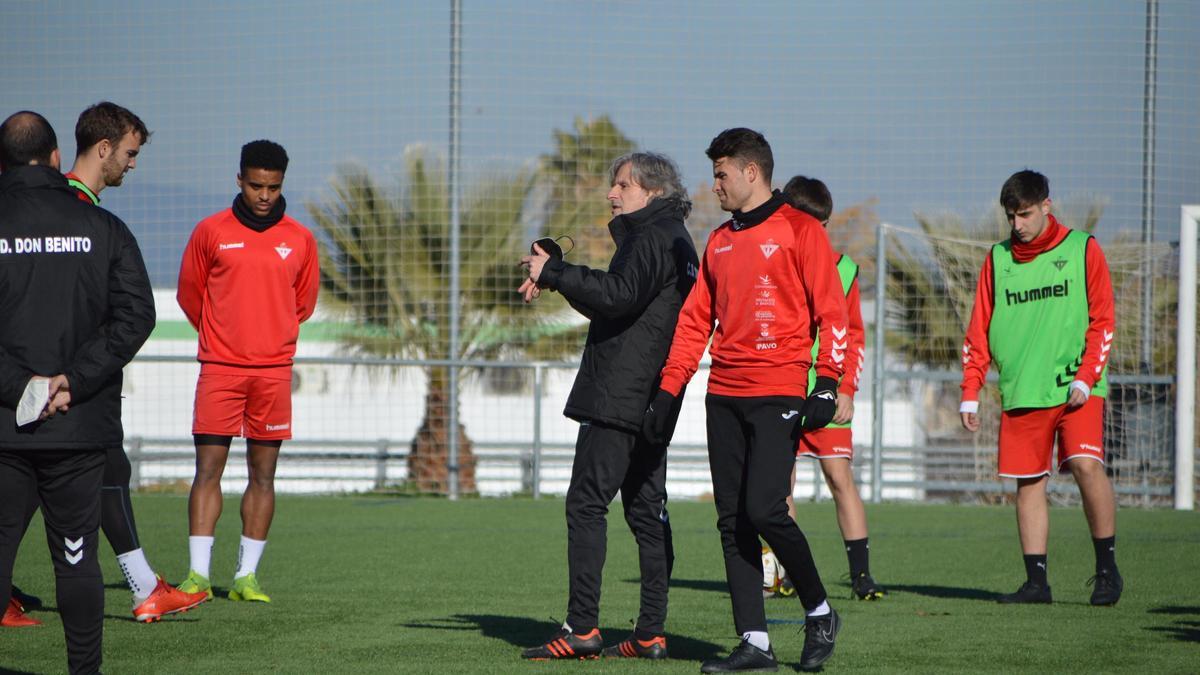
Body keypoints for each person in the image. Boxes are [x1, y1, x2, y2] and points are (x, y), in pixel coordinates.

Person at [645, 128, 846, 673]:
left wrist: (827, 382)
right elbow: (693, 325)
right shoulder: (719, 241)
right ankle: (754, 642)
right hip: (722, 395)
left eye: (721, 174)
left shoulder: (801, 231)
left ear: (751, 172)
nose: (715, 185)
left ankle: (821, 611)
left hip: (779, 391)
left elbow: (834, 313)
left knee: (765, 510)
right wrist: (668, 390)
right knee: (732, 520)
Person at [517, 152, 698, 661]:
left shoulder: (650, 237)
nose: (612, 194)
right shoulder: (675, 238)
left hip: (621, 393)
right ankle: (650, 633)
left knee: (587, 503)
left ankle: (582, 630)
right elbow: (620, 305)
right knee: (646, 510)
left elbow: (617, 297)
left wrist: (556, 272)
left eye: (622, 185)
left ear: (654, 192)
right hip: (653, 395)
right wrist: (556, 276)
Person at [0, 110, 155, 673]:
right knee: (77, 561)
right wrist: (73, 381)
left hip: (5, 430)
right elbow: (137, 315)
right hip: (76, 428)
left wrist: (20, 387)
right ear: (57, 158)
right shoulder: (103, 228)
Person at [40, 101, 206, 623]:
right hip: (71, 385)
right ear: (104, 148)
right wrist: (79, 369)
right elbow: (127, 312)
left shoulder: (57, 208)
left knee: (100, 472)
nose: (133, 164)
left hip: (54, 379)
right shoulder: (84, 218)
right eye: (130, 153)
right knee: (76, 479)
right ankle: (143, 590)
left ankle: (143, 586)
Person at [960, 169, 1122, 606]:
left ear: (1047, 206)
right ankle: (1037, 583)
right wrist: (970, 390)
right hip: (1021, 390)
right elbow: (979, 330)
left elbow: (1103, 320)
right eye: (1011, 217)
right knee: (1029, 482)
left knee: (1087, 466)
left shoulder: (1082, 248)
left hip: (1076, 387)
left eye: (1025, 214)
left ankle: (1106, 571)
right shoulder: (997, 260)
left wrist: (1088, 377)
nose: (1018, 225)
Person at [176, 140, 319, 604]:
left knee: (263, 475)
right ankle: (198, 576)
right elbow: (190, 295)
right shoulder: (210, 231)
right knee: (208, 470)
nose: (264, 195)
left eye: (273, 187)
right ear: (239, 180)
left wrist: (265, 337)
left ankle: (245, 578)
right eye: (256, 185)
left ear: (282, 185)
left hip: (273, 373)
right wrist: (224, 339)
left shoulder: (300, 239)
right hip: (219, 369)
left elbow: (303, 304)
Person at [771, 175, 884, 601]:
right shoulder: (775, 259)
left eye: (822, 224)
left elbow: (854, 336)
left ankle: (861, 576)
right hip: (783, 388)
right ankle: (782, 574)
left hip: (827, 390)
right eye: (807, 222)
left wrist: (847, 388)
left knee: (840, 477)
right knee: (780, 484)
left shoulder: (844, 269)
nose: (815, 232)